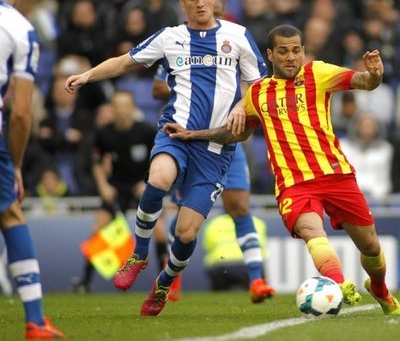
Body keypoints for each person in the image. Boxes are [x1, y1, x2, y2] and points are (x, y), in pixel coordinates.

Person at [64, 0, 267, 316]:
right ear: (182, 2)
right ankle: (140, 253)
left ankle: (164, 283)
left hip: (217, 149)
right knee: (158, 179)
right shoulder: (170, 37)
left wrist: (240, 106)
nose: (201, 3)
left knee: (186, 233)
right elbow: (125, 63)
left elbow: (259, 85)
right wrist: (87, 74)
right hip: (175, 133)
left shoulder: (238, 36)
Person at [164, 24, 400, 316]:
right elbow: (234, 134)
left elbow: (365, 82)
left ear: (303, 51)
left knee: (371, 246)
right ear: (270, 55)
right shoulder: (258, 93)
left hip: (336, 175)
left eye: (296, 51)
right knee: (312, 231)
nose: (291, 57)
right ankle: (338, 285)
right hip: (294, 183)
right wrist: (193, 135)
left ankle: (378, 287)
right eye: (283, 51)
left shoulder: (318, 73)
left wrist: (375, 75)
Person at [152, 66, 275, 302]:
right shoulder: (178, 44)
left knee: (239, 208)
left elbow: (255, 88)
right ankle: (173, 277)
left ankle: (257, 280)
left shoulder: (236, 46)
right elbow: (157, 88)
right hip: (190, 142)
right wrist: (197, 90)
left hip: (227, 141)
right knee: (184, 211)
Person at [0, 0, 64, 339]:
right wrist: (17, 165)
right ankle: (36, 320)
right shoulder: (21, 29)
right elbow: (21, 112)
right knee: (10, 214)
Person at [72, 90, 167, 293]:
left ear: (132, 109)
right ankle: (85, 282)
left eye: (126, 106)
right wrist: (104, 186)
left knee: (159, 230)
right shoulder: (103, 133)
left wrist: (148, 183)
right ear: (112, 110)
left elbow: (160, 159)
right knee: (98, 228)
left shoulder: (146, 131)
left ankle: (165, 283)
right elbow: (96, 162)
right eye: (117, 106)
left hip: (143, 186)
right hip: (117, 188)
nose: (122, 111)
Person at [202, 213, 269, 292]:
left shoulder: (214, 223)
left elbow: (208, 247)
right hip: (248, 264)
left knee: (220, 292)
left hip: (220, 266)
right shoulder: (258, 222)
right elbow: (261, 245)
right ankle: (258, 289)